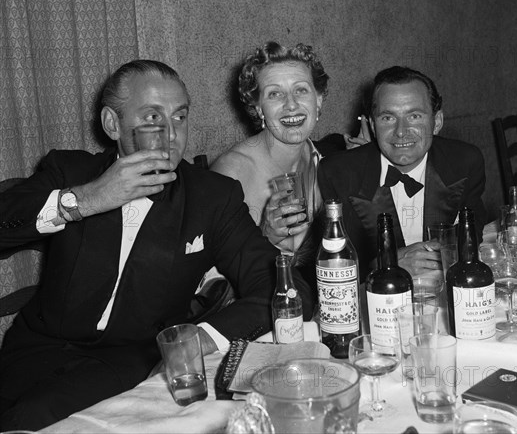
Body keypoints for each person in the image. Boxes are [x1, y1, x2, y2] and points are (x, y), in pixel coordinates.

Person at [0, 60, 313, 431]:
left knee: (31, 419)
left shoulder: (211, 198)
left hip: (128, 358)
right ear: (112, 124)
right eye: (151, 118)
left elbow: (288, 290)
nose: (169, 134)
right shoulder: (70, 172)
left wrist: (203, 336)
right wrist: (84, 200)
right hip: (34, 347)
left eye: (179, 117)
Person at [318, 65, 486, 279]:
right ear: (372, 124)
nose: (400, 131)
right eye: (387, 118)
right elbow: (330, 266)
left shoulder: (464, 162)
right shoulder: (338, 174)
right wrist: (384, 265)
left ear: (437, 122)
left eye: (414, 116)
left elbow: (471, 237)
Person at [210, 42, 329, 278]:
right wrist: (266, 237)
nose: (291, 104)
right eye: (275, 94)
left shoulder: (322, 160)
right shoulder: (231, 172)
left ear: (319, 100)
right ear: (258, 109)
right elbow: (210, 273)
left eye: (301, 90)